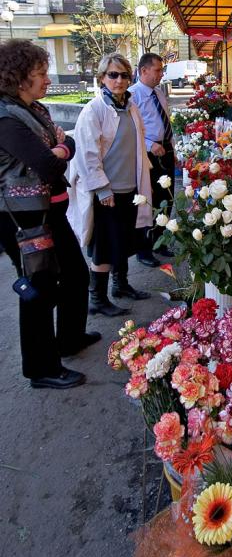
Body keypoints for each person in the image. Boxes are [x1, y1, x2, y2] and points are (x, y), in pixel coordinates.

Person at [0, 39, 99, 389]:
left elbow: (65, 143)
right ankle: (41, 368)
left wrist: (61, 146)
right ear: (19, 77)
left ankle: (68, 339)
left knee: (74, 273)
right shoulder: (6, 117)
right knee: (39, 288)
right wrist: (59, 147)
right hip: (24, 219)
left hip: (50, 210)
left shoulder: (34, 109)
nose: (47, 80)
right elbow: (46, 162)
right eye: (40, 74)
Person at [67, 52, 153, 315]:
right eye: (113, 75)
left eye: (124, 75)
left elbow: (138, 146)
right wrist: (103, 189)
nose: (119, 80)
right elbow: (87, 154)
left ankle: (121, 285)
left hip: (131, 188)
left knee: (125, 240)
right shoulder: (93, 110)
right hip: (108, 192)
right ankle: (98, 299)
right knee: (104, 246)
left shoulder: (131, 107)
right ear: (102, 78)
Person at [129, 52, 175, 265]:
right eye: (157, 70)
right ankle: (143, 249)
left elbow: (166, 123)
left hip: (165, 150)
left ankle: (161, 241)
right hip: (147, 152)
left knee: (167, 198)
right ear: (143, 70)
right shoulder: (133, 95)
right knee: (148, 201)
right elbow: (132, 130)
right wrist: (150, 144)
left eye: (161, 70)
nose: (161, 74)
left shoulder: (159, 93)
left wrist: (172, 147)